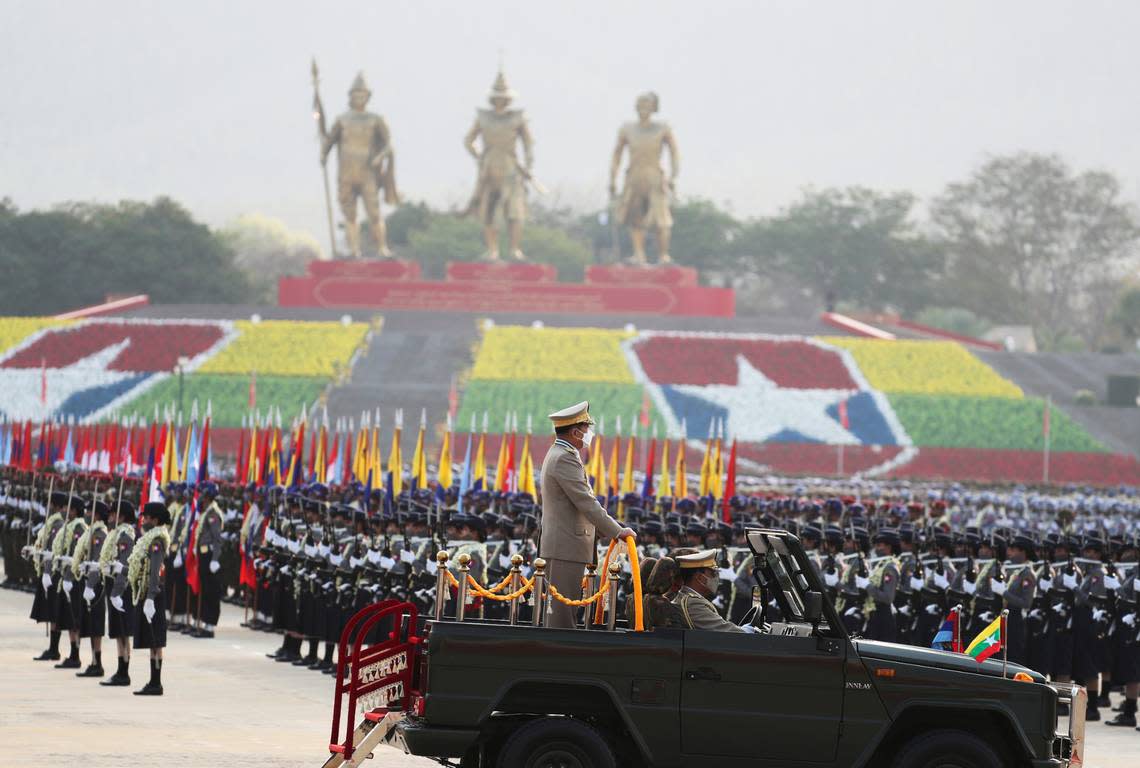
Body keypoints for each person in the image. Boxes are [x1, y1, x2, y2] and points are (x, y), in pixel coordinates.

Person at [539, 401, 635, 629]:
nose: (589, 434)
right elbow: (587, 503)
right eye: (586, 429)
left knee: (562, 614)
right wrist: (618, 531)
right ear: (575, 432)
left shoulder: (560, 452)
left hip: (563, 545)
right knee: (561, 619)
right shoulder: (565, 457)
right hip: (565, 547)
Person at [463, 70, 535, 261]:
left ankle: (515, 249)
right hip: (489, 169)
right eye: (497, 98)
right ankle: (492, 250)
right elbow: (468, 140)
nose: (500, 101)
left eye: (503, 98)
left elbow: (528, 143)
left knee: (515, 211)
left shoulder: (518, 118)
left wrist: (528, 164)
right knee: (489, 210)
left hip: (511, 167)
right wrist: (479, 156)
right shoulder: (483, 118)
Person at [119, 502, 171, 696]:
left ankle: (156, 682)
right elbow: (139, 567)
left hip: (153, 594)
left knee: (156, 638)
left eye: (147, 517)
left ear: (155, 520)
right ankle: (153, 680)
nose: (143, 520)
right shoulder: (147, 539)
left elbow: (155, 571)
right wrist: (121, 569)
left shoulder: (156, 541)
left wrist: (150, 597)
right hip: (146, 591)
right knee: (151, 638)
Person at [100, 499, 137, 686]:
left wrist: (116, 592)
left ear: (121, 516)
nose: (110, 517)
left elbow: (124, 564)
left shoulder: (125, 536)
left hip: (120, 589)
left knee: (123, 631)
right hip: (113, 587)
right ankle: (120, 669)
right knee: (118, 630)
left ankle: (124, 672)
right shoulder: (116, 534)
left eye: (113, 514)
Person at [671, 549, 753, 632]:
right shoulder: (693, 603)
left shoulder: (687, 598)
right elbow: (726, 631)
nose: (716, 578)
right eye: (713, 574)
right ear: (700, 577)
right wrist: (747, 631)